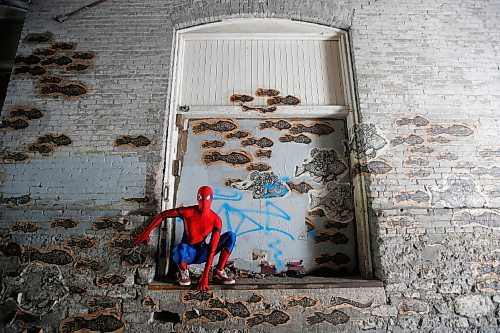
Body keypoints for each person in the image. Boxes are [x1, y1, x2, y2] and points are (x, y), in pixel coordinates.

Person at [134, 185, 236, 291]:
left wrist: (205, 276)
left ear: (212, 198)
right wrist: (146, 232)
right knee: (180, 248)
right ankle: (184, 271)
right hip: (187, 253)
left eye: (208, 198)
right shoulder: (188, 212)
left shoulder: (216, 220)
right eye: (201, 198)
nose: (205, 202)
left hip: (202, 253)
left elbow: (212, 249)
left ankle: (218, 271)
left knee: (230, 236)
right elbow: (162, 215)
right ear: (197, 198)